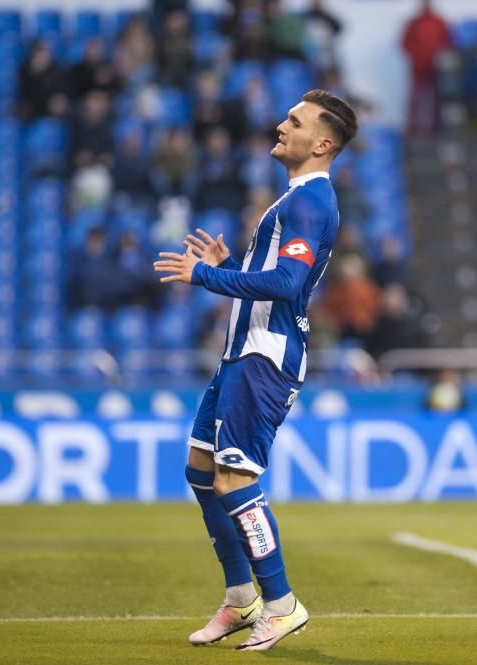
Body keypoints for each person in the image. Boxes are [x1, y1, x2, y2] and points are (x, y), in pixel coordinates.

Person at [153, 89, 357, 651]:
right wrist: (232, 267)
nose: (280, 125)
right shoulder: (294, 199)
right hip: (239, 352)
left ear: (322, 143)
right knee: (201, 469)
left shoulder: (311, 201)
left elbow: (289, 286)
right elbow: (271, 276)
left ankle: (283, 603)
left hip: (265, 358)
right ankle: (242, 599)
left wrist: (207, 277)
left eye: (294, 121)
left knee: (234, 478)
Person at [401, 0, 452, 135]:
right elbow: (404, 42)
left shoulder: (440, 21)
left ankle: (436, 128)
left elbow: (448, 42)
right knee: (415, 98)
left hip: (435, 66)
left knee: (437, 97)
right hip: (418, 66)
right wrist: (414, 56)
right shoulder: (413, 22)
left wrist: (439, 57)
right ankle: (413, 127)